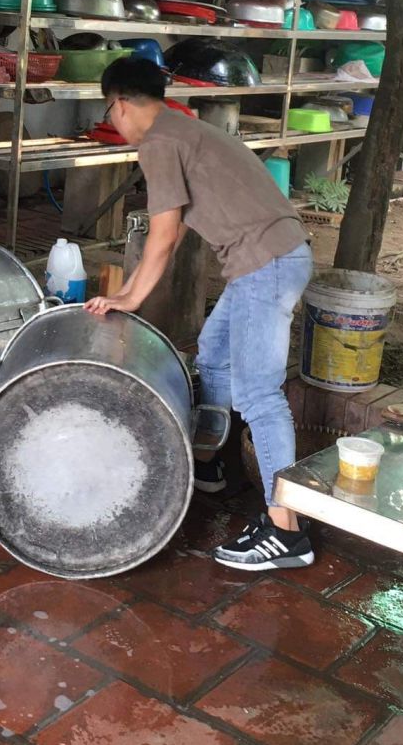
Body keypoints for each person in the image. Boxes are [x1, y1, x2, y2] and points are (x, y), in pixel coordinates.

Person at [85, 57, 316, 573]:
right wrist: (132, 290)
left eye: (108, 112)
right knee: (213, 355)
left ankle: (286, 529)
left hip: (266, 265)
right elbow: (180, 223)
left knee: (259, 394)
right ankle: (214, 466)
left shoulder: (159, 142)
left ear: (119, 104)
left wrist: (130, 299)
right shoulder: (184, 130)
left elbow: (164, 235)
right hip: (273, 258)